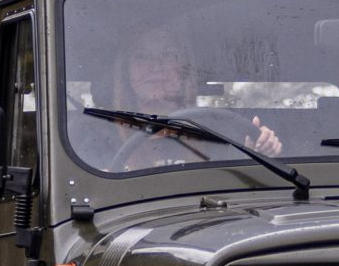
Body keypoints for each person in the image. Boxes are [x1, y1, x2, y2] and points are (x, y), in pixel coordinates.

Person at [99, 23, 282, 169]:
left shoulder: (221, 133)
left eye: (168, 54)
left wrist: (258, 153)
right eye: (141, 56)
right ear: (126, 73)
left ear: (183, 71)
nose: (156, 66)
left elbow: (237, 192)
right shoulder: (99, 137)